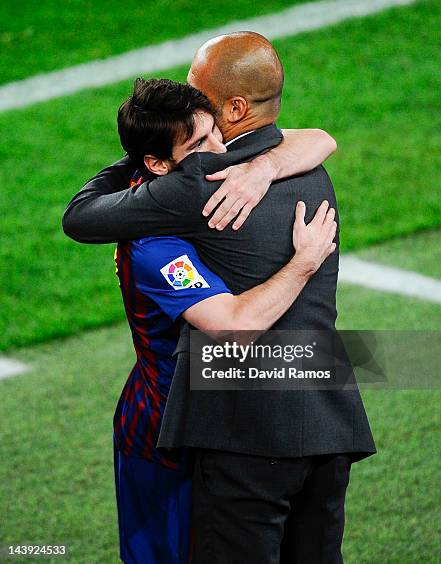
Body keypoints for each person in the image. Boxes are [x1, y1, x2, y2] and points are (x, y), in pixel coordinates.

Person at [63, 31, 376, 563]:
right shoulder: (315, 172)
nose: (190, 99)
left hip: (243, 431)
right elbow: (319, 136)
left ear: (232, 106)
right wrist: (269, 164)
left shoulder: (194, 185)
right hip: (331, 415)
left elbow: (80, 218)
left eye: (198, 91)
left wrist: (139, 157)